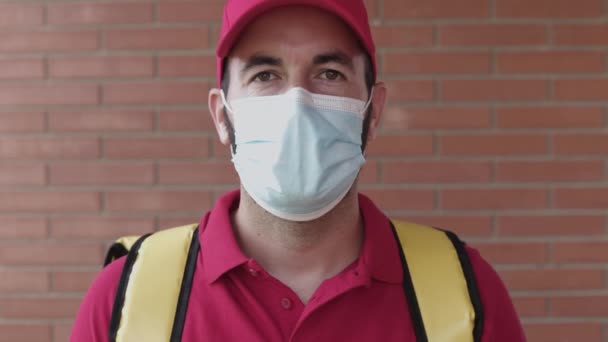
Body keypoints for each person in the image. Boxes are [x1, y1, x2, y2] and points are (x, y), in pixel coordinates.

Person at [70, 0, 526, 341]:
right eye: (265, 75)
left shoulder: (466, 292)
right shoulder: (125, 299)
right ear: (221, 115)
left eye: (328, 72)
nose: (297, 104)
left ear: (373, 110)